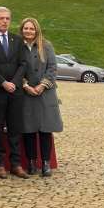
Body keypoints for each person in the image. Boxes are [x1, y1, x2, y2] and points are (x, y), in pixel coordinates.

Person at [0, 6, 28, 179]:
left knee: (15, 127)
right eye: (1, 18)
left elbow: (23, 64)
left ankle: (16, 164)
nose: (4, 21)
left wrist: (14, 83)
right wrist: (3, 82)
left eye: (7, 18)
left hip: (15, 91)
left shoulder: (17, 40)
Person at [19, 18, 63, 177]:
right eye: (26, 28)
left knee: (45, 129)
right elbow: (16, 68)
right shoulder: (18, 46)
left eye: (31, 28)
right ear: (22, 29)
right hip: (26, 92)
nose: (28, 31)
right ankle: (31, 162)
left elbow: (52, 68)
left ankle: (45, 163)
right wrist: (25, 85)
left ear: (36, 30)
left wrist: (42, 85)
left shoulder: (46, 45)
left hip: (45, 93)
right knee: (29, 129)